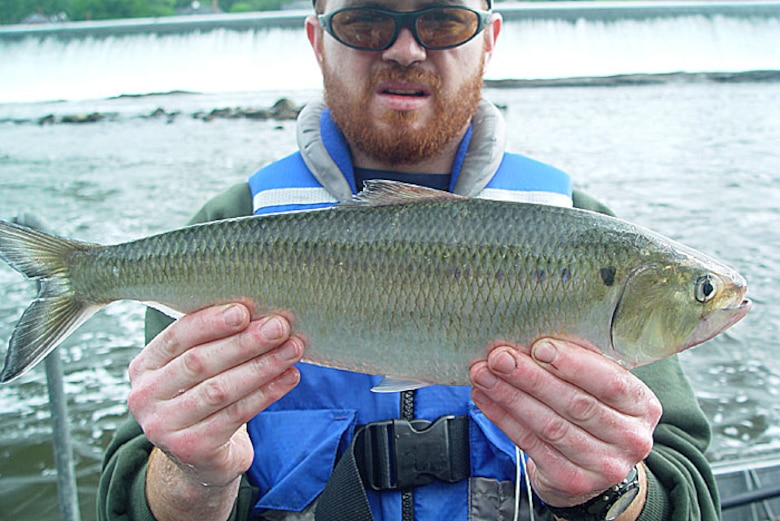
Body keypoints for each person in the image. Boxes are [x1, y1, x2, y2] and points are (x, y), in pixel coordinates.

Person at [98, 0, 720, 520]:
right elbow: (122, 495)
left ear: (488, 39)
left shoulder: (592, 235)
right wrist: (191, 477)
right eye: (367, 22)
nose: (405, 49)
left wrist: (613, 489)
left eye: (443, 22)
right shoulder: (223, 231)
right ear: (318, 40)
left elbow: (689, 488)